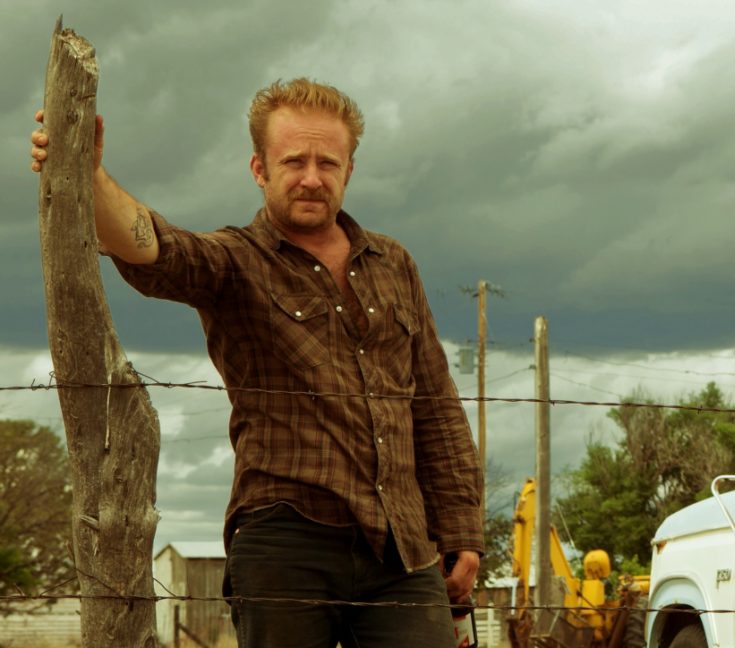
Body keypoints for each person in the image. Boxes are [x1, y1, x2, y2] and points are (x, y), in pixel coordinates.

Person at [31, 78, 483, 647]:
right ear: (259, 169)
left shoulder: (393, 263)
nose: (312, 177)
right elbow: (157, 250)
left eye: (328, 162)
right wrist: (89, 176)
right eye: (294, 161)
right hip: (285, 541)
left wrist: (461, 527)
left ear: (349, 170)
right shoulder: (236, 261)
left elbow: (436, 405)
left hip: (402, 547)